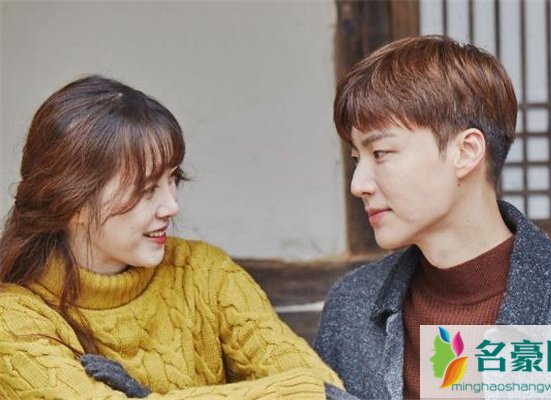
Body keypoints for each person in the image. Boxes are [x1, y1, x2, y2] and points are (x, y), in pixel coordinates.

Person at [0, 75, 343, 399]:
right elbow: (312, 392)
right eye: (147, 189)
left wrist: (146, 396)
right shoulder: (13, 320)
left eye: (173, 179)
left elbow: (329, 390)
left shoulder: (204, 273)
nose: (171, 206)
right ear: (71, 201)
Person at [314, 36, 551, 400]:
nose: (358, 185)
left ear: (465, 152)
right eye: (357, 159)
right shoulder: (353, 305)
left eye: (381, 153)